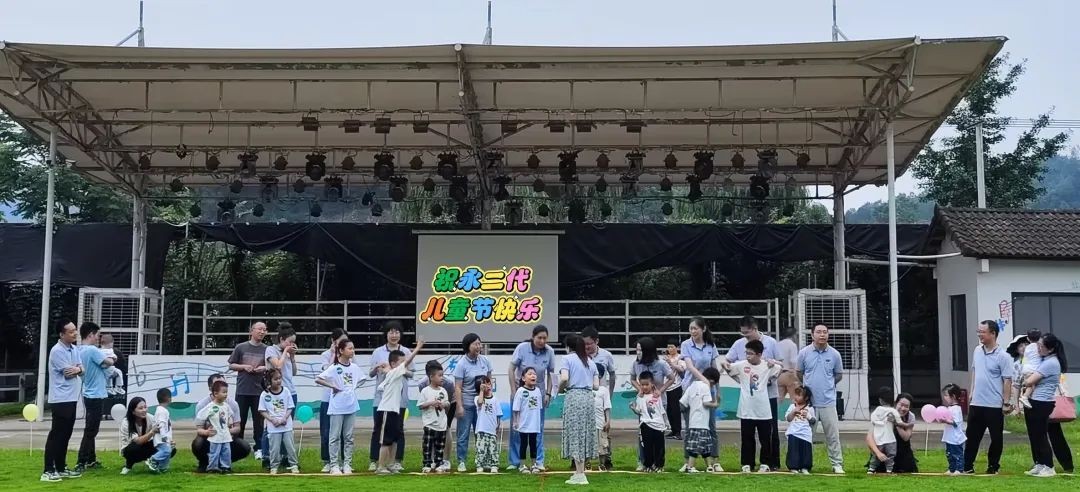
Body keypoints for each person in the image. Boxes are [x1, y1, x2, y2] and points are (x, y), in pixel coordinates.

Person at [726, 316, 781, 471]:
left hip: (768, 395)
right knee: (747, 433)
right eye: (742, 333)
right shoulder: (739, 345)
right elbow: (728, 363)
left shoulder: (771, 342)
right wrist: (741, 381)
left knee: (770, 432)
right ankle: (748, 462)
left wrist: (772, 365)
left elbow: (781, 364)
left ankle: (771, 463)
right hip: (749, 397)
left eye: (747, 333)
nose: (745, 336)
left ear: (755, 329)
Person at [963, 320, 1014, 475]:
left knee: (996, 438)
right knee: (972, 437)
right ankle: (967, 466)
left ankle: (993, 466)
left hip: (994, 404)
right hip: (977, 402)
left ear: (993, 333)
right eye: (978, 331)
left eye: (983, 332)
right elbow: (975, 371)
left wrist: (1006, 402)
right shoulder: (977, 350)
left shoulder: (1003, 356)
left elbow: (1007, 380)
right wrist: (972, 391)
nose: (980, 335)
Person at [1021, 333, 1074, 477]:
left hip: (1042, 402)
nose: (1038, 348)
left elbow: (1029, 381)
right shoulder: (1044, 360)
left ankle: (1049, 466)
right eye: (1038, 345)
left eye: (1041, 346)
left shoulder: (1051, 363)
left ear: (1050, 349)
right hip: (1035, 401)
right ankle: (1040, 463)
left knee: (1041, 435)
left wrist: (1025, 378)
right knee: (1034, 435)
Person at [797, 323, 845, 474]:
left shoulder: (835, 354)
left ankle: (837, 464)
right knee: (806, 435)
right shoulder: (804, 353)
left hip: (828, 401)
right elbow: (799, 373)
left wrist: (828, 385)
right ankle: (804, 464)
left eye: (825, 332)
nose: (822, 335)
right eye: (819, 332)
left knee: (832, 435)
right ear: (812, 335)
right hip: (809, 403)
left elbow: (838, 375)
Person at [507, 325, 555, 471]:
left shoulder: (549, 351)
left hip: (538, 394)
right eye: (539, 338)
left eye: (545, 338)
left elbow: (551, 374)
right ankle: (515, 461)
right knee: (517, 428)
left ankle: (538, 461)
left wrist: (548, 393)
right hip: (521, 393)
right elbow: (511, 368)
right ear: (533, 337)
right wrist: (514, 390)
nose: (542, 341)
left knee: (537, 428)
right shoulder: (522, 348)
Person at [374, 337, 425, 475]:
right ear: (393, 364)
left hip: (395, 410)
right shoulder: (394, 373)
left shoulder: (393, 374)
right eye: (401, 362)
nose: (404, 364)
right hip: (387, 410)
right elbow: (408, 361)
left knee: (395, 439)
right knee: (385, 440)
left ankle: (391, 464)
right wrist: (418, 347)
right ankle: (381, 466)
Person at [41, 320, 83, 482]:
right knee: (57, 434)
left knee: (66, 434)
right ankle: (48, 470)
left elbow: (81, 369)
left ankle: (61, 467)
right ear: (61, 334)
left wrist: (78, 369)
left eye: (75, 330)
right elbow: (68, 373)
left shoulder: (74, 349)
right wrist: (78, 369)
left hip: (72, 397)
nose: (75, 333)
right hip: (60, 399)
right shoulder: (57, 351)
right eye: (71, 331)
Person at [368, 321, 412, 472]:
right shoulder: (378, 352)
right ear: (386, 334)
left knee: (398, 430)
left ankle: (396, 461)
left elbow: (411, 373)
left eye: (397, 332)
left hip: (400, 399)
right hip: (382, 400)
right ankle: (375, 460)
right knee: (378, 429)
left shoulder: (406, 351)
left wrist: (398, 371)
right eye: (391, 332)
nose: (394, 335)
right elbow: (371, 373)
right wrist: (377, 368)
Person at [315, 337, 363, 475]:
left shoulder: (354, 367)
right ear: (341, 350)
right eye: (349, 348)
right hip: (337, 406)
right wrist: (333, 386)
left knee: (349, 437)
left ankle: (347, 464)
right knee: (334, 436)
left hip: (351, 405)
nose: (352, 351)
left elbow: (362, 379)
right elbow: (318, 379)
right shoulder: (335, 367)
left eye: (353, 348)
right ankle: (334, 465)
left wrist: (353, 388)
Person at [559, 333, 600, 485]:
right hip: (588, 397)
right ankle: (579, 471)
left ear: (568, 346)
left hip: (574, 396)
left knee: (575, 433)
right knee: (585, 433)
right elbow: (596, 385)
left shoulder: (567, 359)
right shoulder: (590, 361)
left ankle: (580, 473)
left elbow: (564, 378)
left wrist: (560, 388)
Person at [75, 321, 116, 473]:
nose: (99, 338)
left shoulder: (79, 350)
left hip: (88, 392)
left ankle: (91, 459)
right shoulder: (92, 350)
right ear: (90, 335)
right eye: (97, 335)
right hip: (96, 394)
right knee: (91, 430)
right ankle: (81, 460)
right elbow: (108, 361)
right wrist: (113, 358)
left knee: (90, 428)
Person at [678, 317, 719, 463]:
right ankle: (687, 462)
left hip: (709, 391)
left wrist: (716, 390)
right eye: (691, 328)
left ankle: (714, 461)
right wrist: (704, 380)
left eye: (695, 328)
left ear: (703, 329)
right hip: (691, 389)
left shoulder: (710, 345)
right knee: (690, 427)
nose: (693, 331)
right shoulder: (686, 344)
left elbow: (714, 368)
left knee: (711, 426)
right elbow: (690, 367)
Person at [631, 336, 675, 471]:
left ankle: (658, 463)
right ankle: (644, 461)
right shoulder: (636, 364)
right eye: (637, 350)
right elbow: (632, 379)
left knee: (658, 437)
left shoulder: (661, 364)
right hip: (643, 404)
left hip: (658, 403)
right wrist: (640, 390)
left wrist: (660, 391)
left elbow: (671, 378)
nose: (638, 352)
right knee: (644, 435)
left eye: (640, 350)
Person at [191, 374, 251, 472]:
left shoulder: (230, 405)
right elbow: (199, 427)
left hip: (226, 436)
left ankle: (225, 466)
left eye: (224, 385)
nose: (225, 392)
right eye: (218, 385)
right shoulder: (204, 405)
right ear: (212, 390)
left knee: (236, 447)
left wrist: (227, 430)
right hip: (210, 437)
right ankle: (206, 464)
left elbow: (236, 426)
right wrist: (207, 432)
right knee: (200, 444)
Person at [227, 321, 268, 460]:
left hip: (259, 391)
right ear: (252, 331)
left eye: (264, 330)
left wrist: (264, 368)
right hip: (243, 390)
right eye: (259, 329)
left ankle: (259, 448)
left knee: (259, 422)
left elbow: (271, 366)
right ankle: (238, 448)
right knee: (240, 420)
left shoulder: (267, 349)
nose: (262, 332)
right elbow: (231, 365)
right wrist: (244, 367)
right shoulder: (241, 347)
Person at [452, 333, 493, 472]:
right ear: (468, 346)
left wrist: (490, 399)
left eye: (479, 344)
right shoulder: (461, 364)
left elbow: (489, 382)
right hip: (467, 404)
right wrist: (459, 406)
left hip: (482, 405)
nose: (478, 346)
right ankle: (461, 461)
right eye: (475, 344)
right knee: (463, 435)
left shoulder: (485, 361)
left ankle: (482, 461)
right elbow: (458, 387)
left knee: (481, 434)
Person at [262, 323, 298, 469]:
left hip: (289, 392)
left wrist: (292, 357)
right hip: (274, 393)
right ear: (282, 339)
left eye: (293, 342)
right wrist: (285, 353)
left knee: (286, 426)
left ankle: (284, 456)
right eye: (289, 342)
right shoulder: (271, 350)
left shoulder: (288, 353)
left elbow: (294, 372)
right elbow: (277, 365)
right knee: (271, 425)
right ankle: (267, 456)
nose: (292, 345)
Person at [680, 366, 722, 474]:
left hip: (694, 422)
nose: (712, 386)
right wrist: (716, 404)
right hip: (701, 422)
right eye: (713, 384)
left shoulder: (692, 386)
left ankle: (709, 466)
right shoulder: (706, 386)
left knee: (705, 445)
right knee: (695, 446)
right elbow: (706, 403)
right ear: (711, 381)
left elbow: (683, 403)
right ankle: (690, 466)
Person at [120, 397, 177, 475]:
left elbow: (161, 431)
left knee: (169, 448)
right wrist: (152, 432)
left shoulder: (150, 417)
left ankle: (157, 465)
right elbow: (138, 441)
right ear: (133, 411)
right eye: (140, 408)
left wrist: (168, 441)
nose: (144, 410)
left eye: (145, 407)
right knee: (133, 448)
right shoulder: (126, 422)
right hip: (131, 449)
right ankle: (128, 466)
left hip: (146, 445)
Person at [318, 328, 348, 472]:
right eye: (340, 341)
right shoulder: (325, 355)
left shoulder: (349, 356)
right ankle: (327, 461)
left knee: (343, 432)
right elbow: (325, 373)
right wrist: (333, 355)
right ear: (333, 341)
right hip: (328, 399)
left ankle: (342, 461)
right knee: (327, 431)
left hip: (344, 400)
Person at [259, 367, 299, 474]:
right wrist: (272, 420)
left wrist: (285, 418)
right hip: (273, 427)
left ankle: (294, 464)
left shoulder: (286, 391)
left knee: (290, 446)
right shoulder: (265, 394)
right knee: (274, 448)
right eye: (275, 379)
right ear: (269, 380)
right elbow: (262, 410)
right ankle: (274, 466)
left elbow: (290, 407)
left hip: (286, 425)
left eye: (280, 378)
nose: (278, 381)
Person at [866, 393, 918, 473]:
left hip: (902, 451)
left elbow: (906, 437)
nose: (903, 408)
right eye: (901, 405)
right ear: (895, 403)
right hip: (883, 448)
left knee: (906, 469)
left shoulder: (910, 416)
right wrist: (878, 453)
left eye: (906, 406)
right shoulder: (883, 413)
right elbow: (869, 438)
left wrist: (896, 424)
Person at [418, 360, 451, 473]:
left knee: (440, 445)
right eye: (439, 375)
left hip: (441, 423)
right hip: (429, 423)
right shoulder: (425, 391)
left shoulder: (443, 390)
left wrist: (443, 405)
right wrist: (431, 403)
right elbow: (421, 405)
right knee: (427, 445)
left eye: (442, 375)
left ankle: (439, 463)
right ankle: (427, 464)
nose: (442, 378)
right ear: (431, 377)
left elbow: (447, 403)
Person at [631, 371, 668, 473]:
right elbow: (639, 411)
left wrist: (666, 423)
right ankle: (648, 465)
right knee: (647, 446)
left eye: (647, 384)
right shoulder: (640, 397)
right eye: (642, 385)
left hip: (659, 425)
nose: (644, 387)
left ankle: (659, 465)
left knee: (659, 447)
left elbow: (662, 411)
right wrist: (633, 409)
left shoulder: (657, 395)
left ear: (652, 384)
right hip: (646, 425)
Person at [195, 381, 234, 474]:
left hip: (225, 435)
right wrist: (205, 430)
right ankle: (212, 468)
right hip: (215, 435)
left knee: (226, 452)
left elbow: (230, 415)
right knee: (214, 452)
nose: (226, 394)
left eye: (226, 392)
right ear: (216, 394)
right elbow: (200, 416)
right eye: (223, 392)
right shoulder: (210, 407)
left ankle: (226, 467)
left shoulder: (226, 406)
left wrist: (230, 421)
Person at [513, 367, 544, 473]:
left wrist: (539, 422)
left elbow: (539, 407)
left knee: (533, 444)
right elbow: (516, 408)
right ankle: (522, 465)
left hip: (534, 424)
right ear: (523, 378)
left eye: (534, 374)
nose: (533, 376)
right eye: (530, 374)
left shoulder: (538, 391)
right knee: (523, 444)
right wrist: (516, 421)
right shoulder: (521, 391)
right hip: (524, 423)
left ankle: (534, 464)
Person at [867, 387, 902, 474]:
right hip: (890, 438)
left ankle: (871, 469)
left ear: (880, 400)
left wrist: (879, 422)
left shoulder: (878, 410)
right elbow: (899, 421)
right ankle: (889, 470)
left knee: (876, 455)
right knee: (891, 455)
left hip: (878, 438)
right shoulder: (893, 411)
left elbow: (873, 420)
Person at [473, 375, 503, 473]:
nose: (488, 386)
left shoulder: (495, 400)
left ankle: (494, 465)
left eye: (489, 383)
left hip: (492, 429)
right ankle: (480, 464)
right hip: (481, 429)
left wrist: (497, 426)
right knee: (481, 448)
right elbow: (480, 403)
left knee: (492, 448)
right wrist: (481, 391)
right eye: (484, 384)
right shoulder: (477, 398)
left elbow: (498, 414)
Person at [785, 386, 816, 474]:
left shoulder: (810, 408)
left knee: (805, 451)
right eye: (796, 394)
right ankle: (793, 467)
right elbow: (788, 418)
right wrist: (793, 412)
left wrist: (809, 416)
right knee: (793, 451)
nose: (796, 397)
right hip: (793, 433)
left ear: (806, 398)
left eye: (799, 395)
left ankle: (805, 467)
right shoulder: (792, 406)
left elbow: (813, 421)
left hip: (805, 434)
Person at [581, 327, 617, 396]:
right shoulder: (578, 356)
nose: (586, 347)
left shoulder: (606, 355)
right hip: (584, 396)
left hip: (601, 395)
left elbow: (612, 374)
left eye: (588, 344)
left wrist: (610, 394)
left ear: (597, 341)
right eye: (584, 344)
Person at [591, 364, 613, 471]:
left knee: (603, 444)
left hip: (600, 422)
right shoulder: (586, 388)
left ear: (599, 375)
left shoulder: (603, 390)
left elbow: (607, 407)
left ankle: (602, 464)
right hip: (588, 423)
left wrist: (608, 421)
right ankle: (587, 463)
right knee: (589, 443)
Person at [941, 384, 966, 475]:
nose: (944, 397)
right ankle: (952, 468)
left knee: (957, 454)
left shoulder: (957, 409)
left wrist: (946, 421)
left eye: (946, 395)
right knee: (949, 454)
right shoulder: (949, 408)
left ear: (953, 396)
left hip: (955, 437)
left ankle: (959, 469)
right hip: (949, 436)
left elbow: (956, 423)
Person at [1016, 329, 1043, 409]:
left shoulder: (1027, 348)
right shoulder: (1039, 347)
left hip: (1026, 368)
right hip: (1033, 369)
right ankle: (1025, 397)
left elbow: (1026, 358)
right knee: (1032, 385)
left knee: (1030, 385)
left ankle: (1026, 397)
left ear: (1028, 338)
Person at [664, 343, 685, 441]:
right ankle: (673, 430)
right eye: (668, 347)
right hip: (667, 387)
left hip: (676, 386)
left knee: (675, 410)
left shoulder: (680, 358)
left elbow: (682, 369)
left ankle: (678, 432)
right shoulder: (665, 358)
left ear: (677, 348)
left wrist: (671, 364)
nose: (670, 349)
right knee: (669, 410)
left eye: (672, 347)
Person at [150, 387, 174, 473]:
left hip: (163, 437)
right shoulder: (163, 411)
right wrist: (164, 436)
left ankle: (163, 467)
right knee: (166, 451)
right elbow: (162, 424)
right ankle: (153, 459)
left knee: (168, 451)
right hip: (161, 438)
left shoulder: (160, 410)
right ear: (169, 398)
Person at [775, 327, 801, 401]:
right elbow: (793, 361)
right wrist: (796, 374)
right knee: (795, 399)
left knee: (779, 399)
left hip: (778, 374)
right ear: (793, 335)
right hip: (789, 373)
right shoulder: (792, 345)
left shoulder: (778, 344)